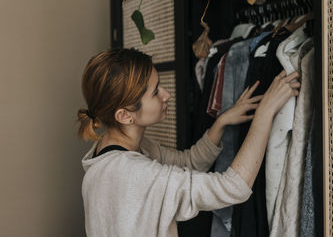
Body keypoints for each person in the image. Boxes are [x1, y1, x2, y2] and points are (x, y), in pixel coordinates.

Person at [76, 48, 300, 237]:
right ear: (125, 115)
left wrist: (221, 122)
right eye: (155, 92)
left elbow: (189, 163)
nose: (166, 95)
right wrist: (265, 112)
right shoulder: (136, 174)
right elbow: (233, 188)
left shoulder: (111, 155)